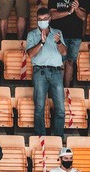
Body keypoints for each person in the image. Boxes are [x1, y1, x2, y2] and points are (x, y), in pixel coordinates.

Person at [27, 7, 67, 137]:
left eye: (44, 19)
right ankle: (40, 137)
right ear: (36, 20)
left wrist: (59, 42)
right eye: (39, 19)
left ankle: (58, 137)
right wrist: (42, 42)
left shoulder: (58, 33)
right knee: (39, 107)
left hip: (56, 72)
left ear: (49, 19)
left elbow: (64, 52)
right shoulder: (32, 35)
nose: (42, 21)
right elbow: (30, 54)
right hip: (40, 72)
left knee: (60, 108)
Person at [48, 0, 90, 87]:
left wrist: (76, 8)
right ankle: (59, 88)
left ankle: (67, 88)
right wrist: (69, 11)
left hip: (75, 35)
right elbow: (52, 15)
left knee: (70, 62)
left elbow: (83, 17)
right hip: (58, 34)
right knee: (60, 62)